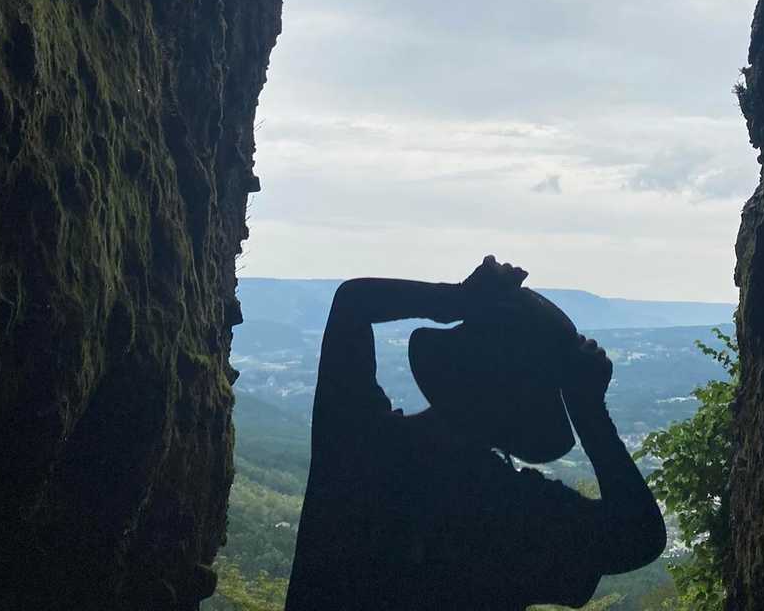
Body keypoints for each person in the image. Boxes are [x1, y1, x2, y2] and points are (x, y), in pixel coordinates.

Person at [284, 256, 667, 611]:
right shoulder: (513, 512)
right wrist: (588, 410)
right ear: (527, 416)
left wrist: (460, 299)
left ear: (452, 366)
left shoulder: (361, 444)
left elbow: (353, 301)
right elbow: (639, 537)